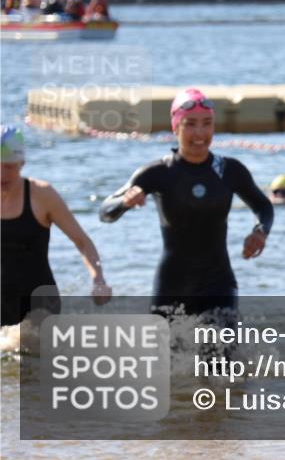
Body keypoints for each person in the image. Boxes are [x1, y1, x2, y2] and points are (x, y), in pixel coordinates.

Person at [99, 89, 274, 317]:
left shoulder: (230, 171)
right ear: (175, 127)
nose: (200, 132)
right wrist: (125, 201)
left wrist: (261, 231)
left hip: (218, 285)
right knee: (167, 354)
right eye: (190, 124)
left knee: (223, 352)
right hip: (172, 287)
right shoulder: (159, 172)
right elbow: (105, 211)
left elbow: (264, 206)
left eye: (207, 123)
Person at [1, 126, 111, 328]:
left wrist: (99, 280)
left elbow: (82, 242)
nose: (2, 174)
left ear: (22, 163)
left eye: (9, 166)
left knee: (24, 347)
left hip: (39, 303)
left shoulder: (42, 196)